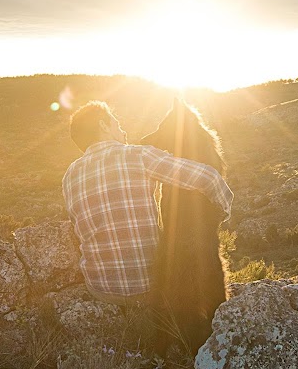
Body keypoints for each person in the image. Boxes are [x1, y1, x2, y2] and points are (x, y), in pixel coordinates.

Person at [62, 101, 233, 307]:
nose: (122, 129)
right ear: (104, 126)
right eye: (116, 123)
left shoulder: (69, 176)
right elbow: (209, 178)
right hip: (148, 287)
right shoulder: (138, 155)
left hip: (101, 289)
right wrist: (223, 213)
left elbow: (77, 225)